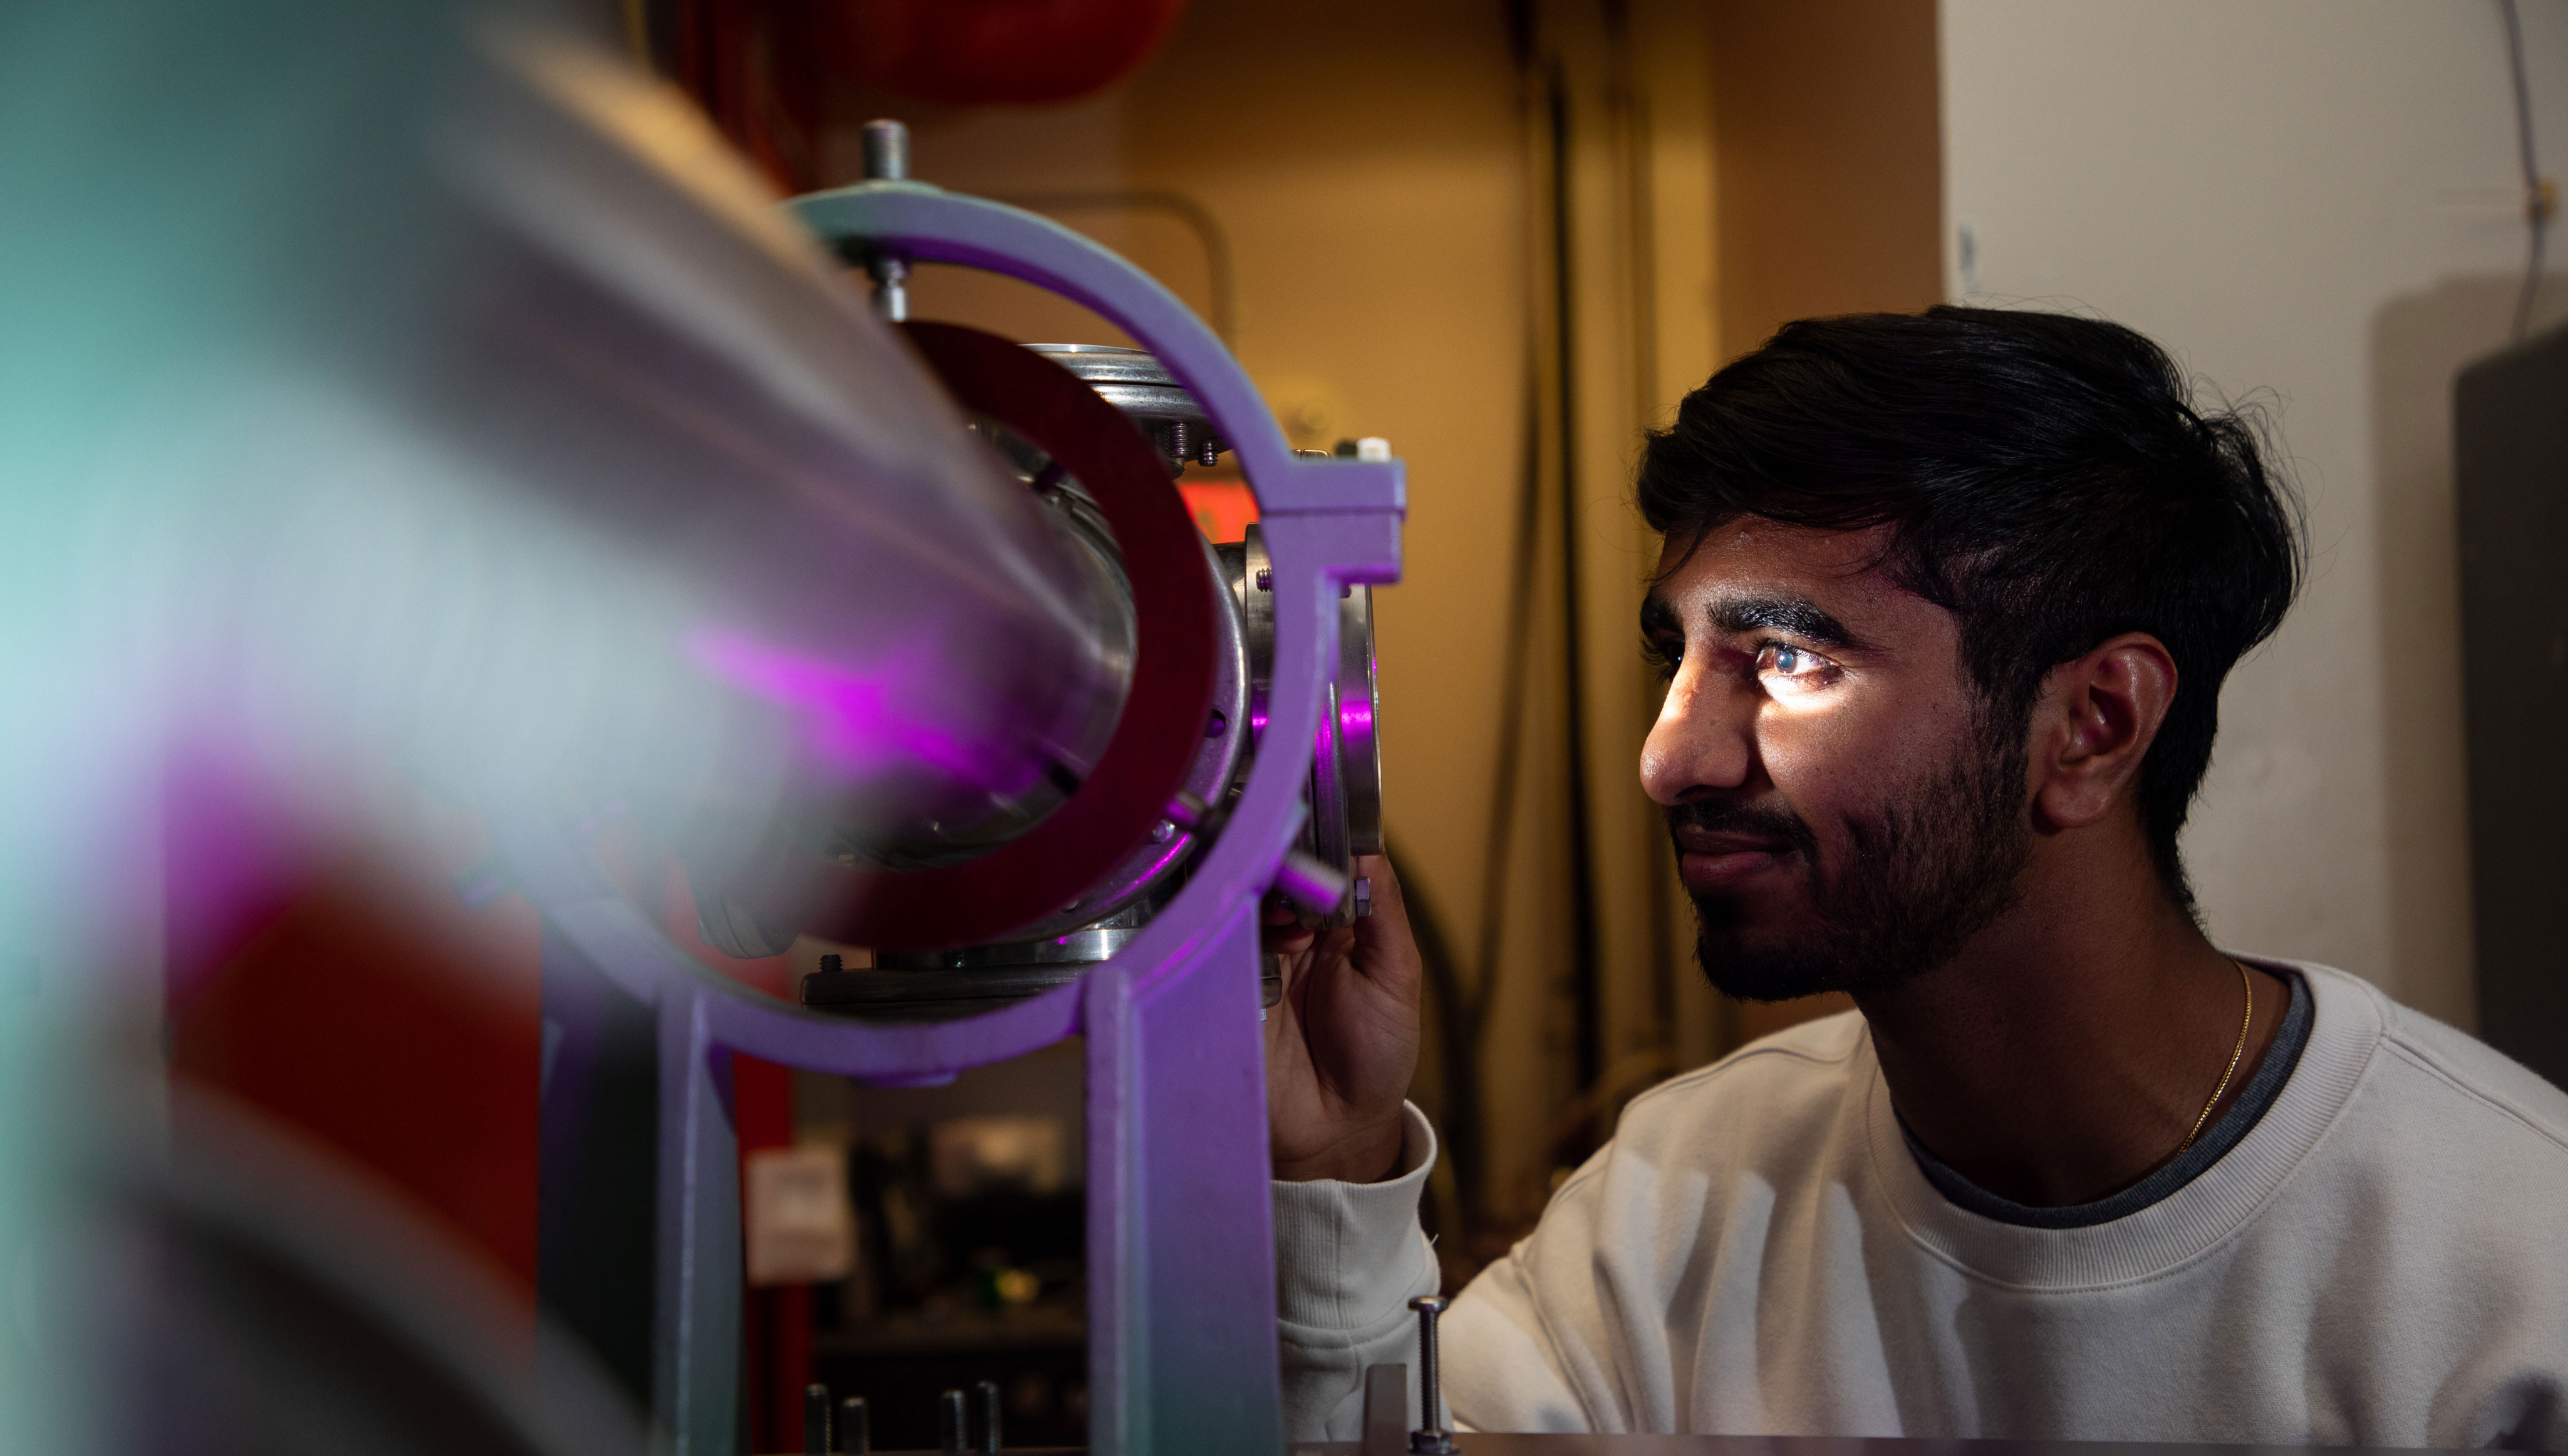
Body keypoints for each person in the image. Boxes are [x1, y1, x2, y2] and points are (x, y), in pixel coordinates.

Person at [1262, 307, 2568, 1451]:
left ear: (2093, 726)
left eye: (1787, 660)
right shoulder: (1679, 1197)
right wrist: (1334, 1162)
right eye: (1678, 656)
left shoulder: (2509, 1272)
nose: (1668, 756)